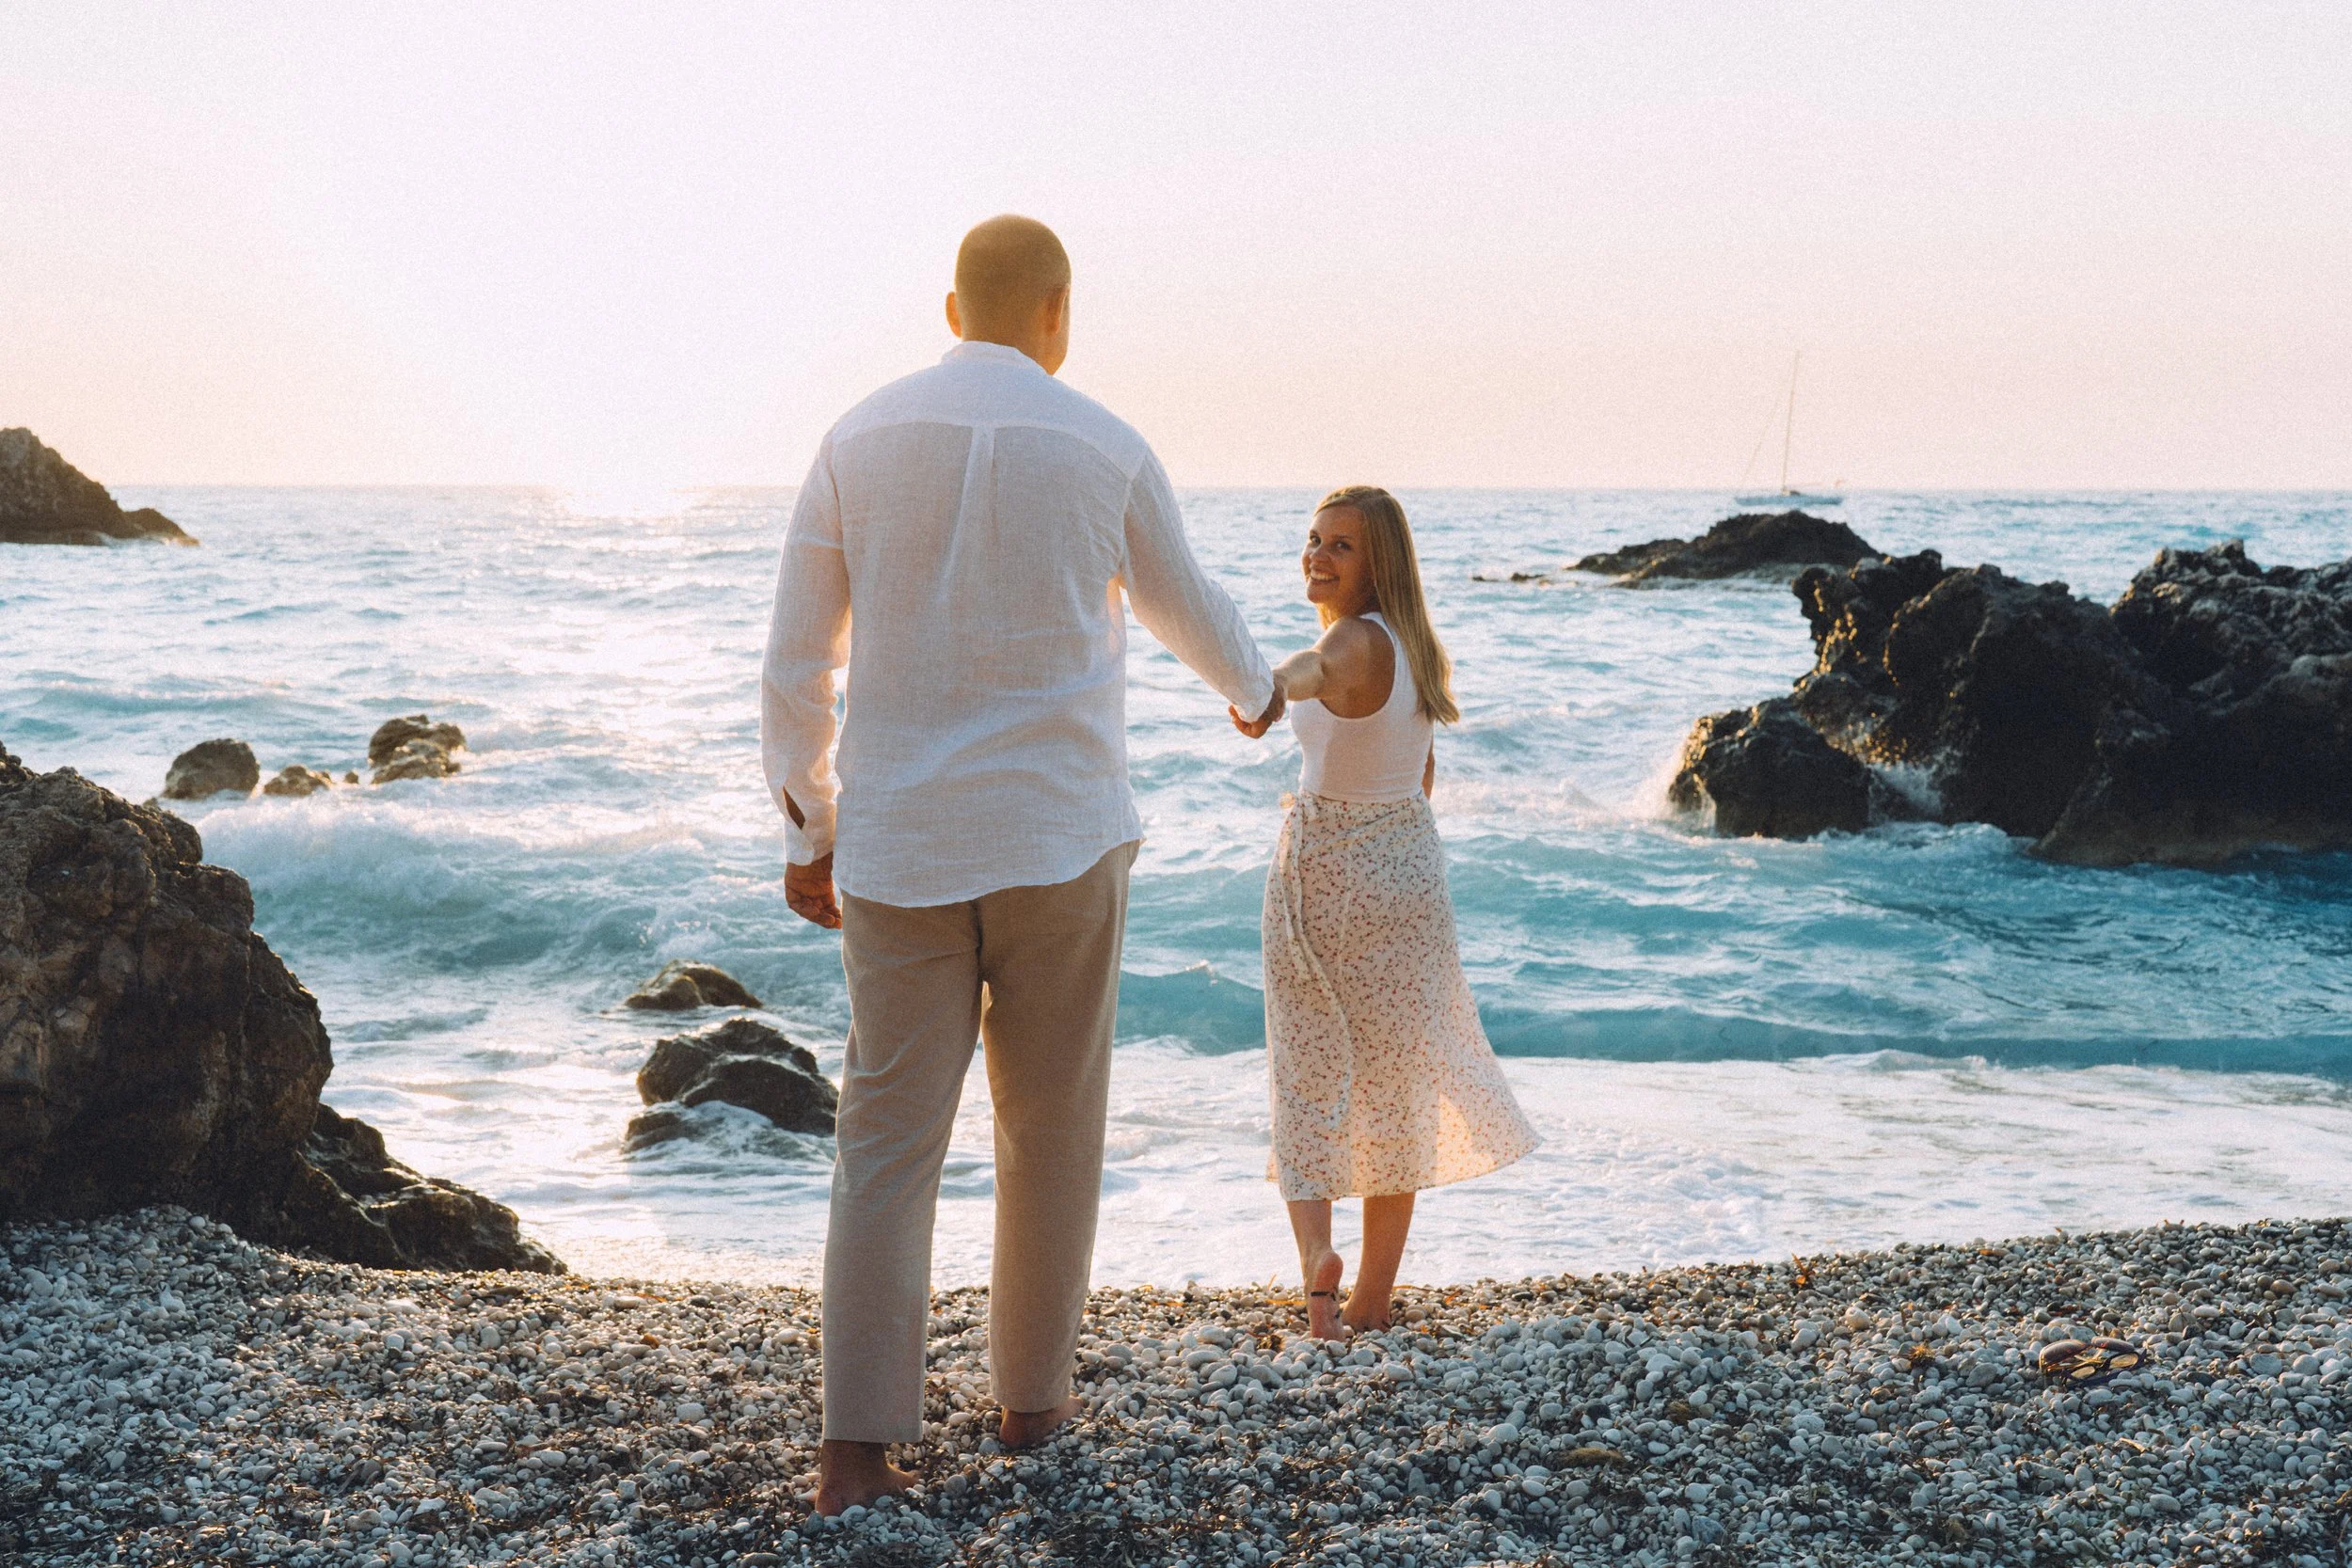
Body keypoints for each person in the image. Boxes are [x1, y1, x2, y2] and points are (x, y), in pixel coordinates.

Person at [763, 214, 1282, 1514]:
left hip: (900, 842)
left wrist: (807, 827)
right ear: (1058, 312)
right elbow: (1190, 604)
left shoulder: (855, 438)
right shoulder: (1103, 441)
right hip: (1058, 836)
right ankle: (1033, 1401)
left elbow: (794, 662)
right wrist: (1261, 690)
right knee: (1051, 1129)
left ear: (953, 308)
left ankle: (857, 1449)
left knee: (887, 1136)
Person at [1231, 485, 1538, 1339]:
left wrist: (1265, 692)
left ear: (1380, 564)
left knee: (1309, 1070)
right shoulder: (1418, 650)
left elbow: (1309, 672)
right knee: (1398, 1085)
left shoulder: (1348, 642)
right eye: (1313, 538)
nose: (1317, 556)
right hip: (1410, 868)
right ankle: (1372, 1298)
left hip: (1327, 869)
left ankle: (1318, 1279)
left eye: (1341, 546)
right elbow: (1423, 773)